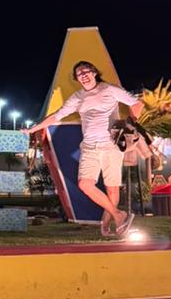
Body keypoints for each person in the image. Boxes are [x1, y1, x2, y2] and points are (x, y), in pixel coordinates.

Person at [27, 61, 143, 237]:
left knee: (112, 189)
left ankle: (108, 223)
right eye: (79, 74)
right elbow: (56, 115)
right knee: (85, 184)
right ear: (77, 79)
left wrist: (130, 124)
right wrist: (33, 129)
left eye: (86, 71)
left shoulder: (109, 89)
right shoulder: (77, 97)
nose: (83, 75)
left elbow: (137, 104)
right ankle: (119, 215)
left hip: (111, 145)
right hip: (89, 146)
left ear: (94, 72)